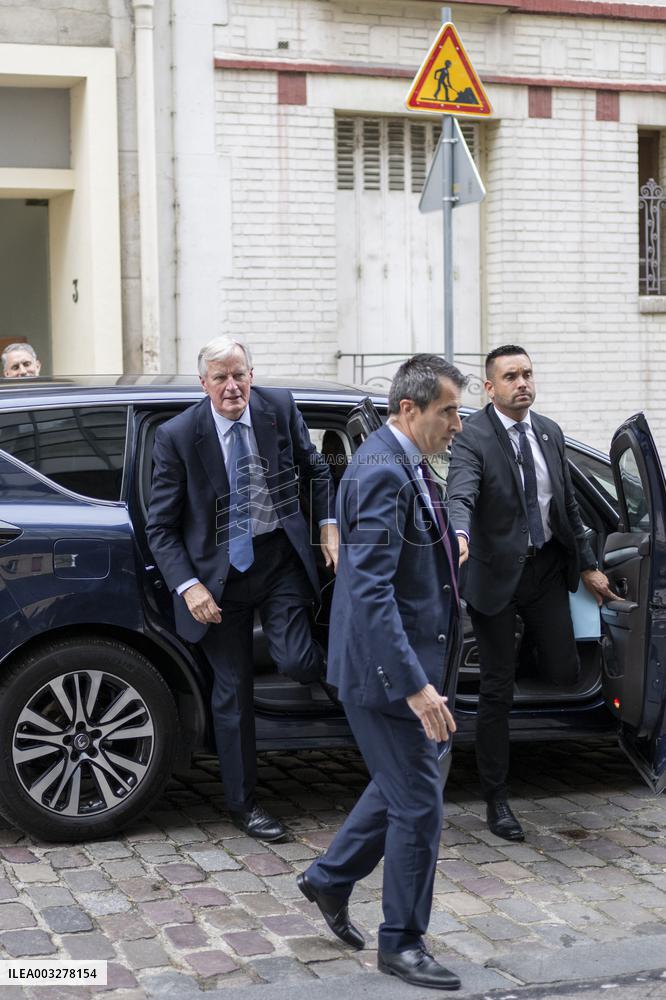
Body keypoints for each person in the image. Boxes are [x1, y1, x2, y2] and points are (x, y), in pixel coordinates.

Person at [297, 354, 465, 991]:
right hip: (386, 673)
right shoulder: (379, 472)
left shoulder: (406, 464)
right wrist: (416, 685)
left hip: (409, 659)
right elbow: (368, 593)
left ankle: (330, 878)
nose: (456, 424)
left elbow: (404, 562)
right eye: (447, 412)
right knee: (419, 804)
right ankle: (402, 943)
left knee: (404, 785)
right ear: (409, 409)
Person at [146, 336, 338, 842]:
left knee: (298, 661)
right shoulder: (178, 436)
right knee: (233, 694)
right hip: (216, 580)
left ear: (251, 373)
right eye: (220, 377)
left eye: (240, 374)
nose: (233, 387)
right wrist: (188, 586)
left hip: (278, 561)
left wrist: (328, 524)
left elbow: (315, 469)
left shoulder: (278, 407)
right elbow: (161, 527)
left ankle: (348, 682)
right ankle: (245, 806)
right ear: (203, 383)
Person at [446, 345, 615, 842]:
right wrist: (459, 533)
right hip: (495, 575)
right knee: (498, 690)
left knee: (565, 670)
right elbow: (461, 492)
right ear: (489, 387)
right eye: (510, 376)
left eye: (527, 374)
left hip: (544, 570)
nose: (522, 382)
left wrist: (587, 564)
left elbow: (567, 507)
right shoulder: (471, 436)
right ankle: (497, 799)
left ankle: (519, 650)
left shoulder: (549, 432)